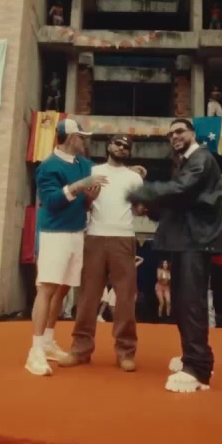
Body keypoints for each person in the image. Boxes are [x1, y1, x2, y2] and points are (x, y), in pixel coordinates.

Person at [128, 118, 222, 393]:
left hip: (196, 241)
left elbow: (180, 190)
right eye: (171, 134)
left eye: (180, 131)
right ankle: (191, 357)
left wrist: (142, 191)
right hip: (186, 240)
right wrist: (150, 208)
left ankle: (198, 370)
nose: (175, 137)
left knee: (192, 304)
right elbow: (179, 203)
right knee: (183, 304)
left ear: (193, 133)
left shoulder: (200, 159)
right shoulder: (185, 163)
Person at [25, 119, 107, 376]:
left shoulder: (83, 164)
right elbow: (50, 202)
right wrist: (78, 186)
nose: (85, 141)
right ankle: (35, 351)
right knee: (47, 289)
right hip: (54, 234)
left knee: (62, 290)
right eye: (81, 137)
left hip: (76, 233)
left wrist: (132, 171)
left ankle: (48, 342)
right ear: (71, 138)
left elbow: (100, 178)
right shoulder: (48, 166)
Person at [62, 134, 144, 372]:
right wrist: (88, 199)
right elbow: (81, 204)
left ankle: (126, 352)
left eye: (126, 146)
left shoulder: (134, 177)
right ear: (109, 146)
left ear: (129, 152)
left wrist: (146, 203)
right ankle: (80, 349)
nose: (122, 147)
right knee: (88, 297)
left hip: (124, 237)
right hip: (95, 236)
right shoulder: (93, 171)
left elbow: (139, 210)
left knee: (125, 299)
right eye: (118, 143)